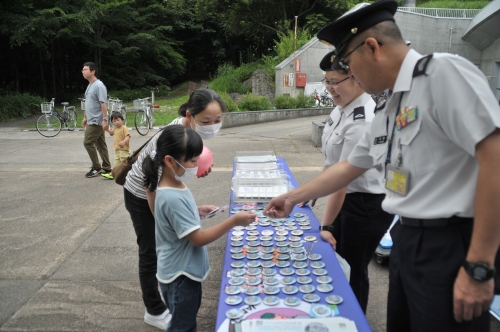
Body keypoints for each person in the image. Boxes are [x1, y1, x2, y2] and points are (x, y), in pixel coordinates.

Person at [264, 0, 500, 331]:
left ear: (372, 47)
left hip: (449, 244)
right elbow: (349, 166)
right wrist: (292, 197)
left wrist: (479, 266)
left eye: (348, 62)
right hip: (406, 237)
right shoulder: (390, 105)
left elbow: (495, 158)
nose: (350, 74)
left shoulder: (443, 73)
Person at [299, 51, 394, 313]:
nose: (330, 88)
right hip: (347, 197)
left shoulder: (364, 119)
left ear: (358, 79)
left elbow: (343, 178)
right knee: (336, 256)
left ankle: (354, 318)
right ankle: (337, 311)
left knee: (353, 266)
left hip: (365, 204)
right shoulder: (342, 108)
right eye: (326, 81)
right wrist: (317, 188)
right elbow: (332, 160)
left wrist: (327, 223)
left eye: (335, 81)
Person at [123, 89, 224, 330]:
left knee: (162, 247)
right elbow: (153, 191)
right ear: (190, 116)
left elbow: (172, 187)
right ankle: (154, 309)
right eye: (206, 121)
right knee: (151, 252)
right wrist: (170, 220)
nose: (212, 126)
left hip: (158, 191)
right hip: (141, 194)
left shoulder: (187, 136)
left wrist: (192, 206)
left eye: (218, 120)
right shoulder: (169, 140)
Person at [142, 125, 256, 332]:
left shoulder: (170, 185)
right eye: (192, 161)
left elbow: (170, 217)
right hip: (180, 277)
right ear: (169, 161)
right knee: (182, 326)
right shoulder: (171, 195)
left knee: (185, 318)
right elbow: (198, 238)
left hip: (179, 272)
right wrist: (233, 221)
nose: (196, 166)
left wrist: (196, 211)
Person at [81, 62, 112, 178]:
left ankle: (96, 167)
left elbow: (103, 104)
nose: (83, 72)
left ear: (93, 71)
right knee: (101, 144)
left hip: (96, 121)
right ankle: (107, 168)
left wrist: (105, 120)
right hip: (91, 119)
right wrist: (85, 117)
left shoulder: (99, 85)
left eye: (85, 69)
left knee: (88, 143)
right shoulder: (90, 85)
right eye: (82, 70)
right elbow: (89, 104)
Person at [102, 112, 131, 179]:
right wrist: (107, 129)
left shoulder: (124, 128)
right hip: (117, 149)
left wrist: (123, 142)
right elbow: (112, 133)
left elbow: (128, 136)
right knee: (117, 163)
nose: (116, 122)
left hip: (124, 149)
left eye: (118, 120)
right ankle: (113, 174)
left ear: (122, 120)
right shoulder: (115, 129)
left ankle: (128, 174)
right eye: (114, 121)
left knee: (124, 163)